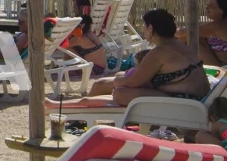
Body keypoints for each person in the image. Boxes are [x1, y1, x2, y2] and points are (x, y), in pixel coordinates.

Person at [69, 9, 209, 106]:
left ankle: (82, 117)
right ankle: (84, 112)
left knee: (120, 92)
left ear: (151, 28)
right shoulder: (178, 45)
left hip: (185, 102)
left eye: (144, 26)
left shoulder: (160, 52)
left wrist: (117, 81)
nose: (143, 29)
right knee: (106, 83)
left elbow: (132, 83)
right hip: (195, 98)